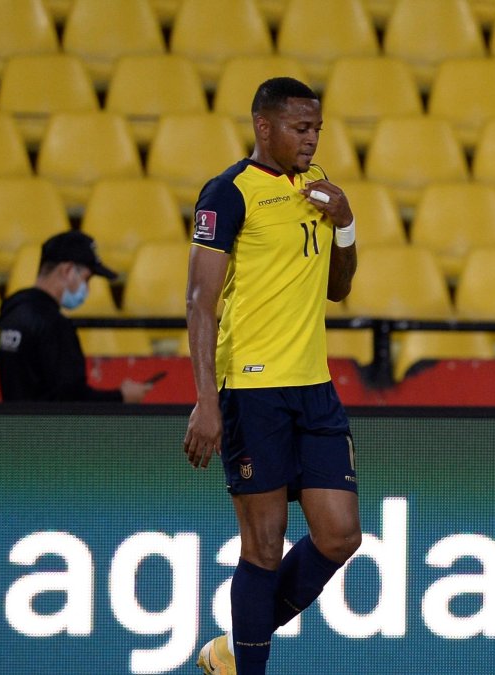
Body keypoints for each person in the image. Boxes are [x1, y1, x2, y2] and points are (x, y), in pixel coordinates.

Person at [184, 77, 361, 675]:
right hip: (252, 390)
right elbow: (199, 302)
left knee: (341, 537)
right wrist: (206, 401)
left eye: (316, 128)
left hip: (314, 386)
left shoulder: (319, 187)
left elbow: (339, 289)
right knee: (262, 546)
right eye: (300, 128)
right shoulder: (228, 194)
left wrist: (347, 224)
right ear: (265, 127)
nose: (312, 139)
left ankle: (232, 650)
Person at [0, 230, 152, 403]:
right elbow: (74, 403)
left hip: (11, 426)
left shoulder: (11, 312)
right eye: (87, 278)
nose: (87, 288)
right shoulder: (55, 325)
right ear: (67, 270)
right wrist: (122, 397)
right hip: (46, 429)